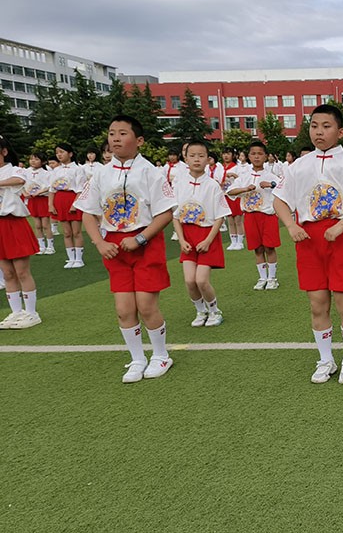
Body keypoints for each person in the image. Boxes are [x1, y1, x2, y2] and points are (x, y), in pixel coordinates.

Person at [272, 104, 343, 385]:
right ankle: (325, 359)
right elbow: (280, 199)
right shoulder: (299, 165)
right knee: (317, 303)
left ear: (340, 131)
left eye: (326, 126)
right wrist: (291, 224)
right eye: (314, 126)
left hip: (341, 237)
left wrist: (342, 224)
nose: (319, 132)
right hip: (309, 240)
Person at [75, 115, 177, 383]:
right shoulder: (100, 173)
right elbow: (87, 212)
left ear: (139, 140)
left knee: (145, 305)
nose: (116, 138)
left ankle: (160, 354)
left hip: (145, 244)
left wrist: (141, 239)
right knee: (123, 309)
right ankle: (137, 358)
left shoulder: (150, 172)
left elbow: (165, 213)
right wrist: (99, 242)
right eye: (111, 133)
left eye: (123, 133)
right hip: (115, 247)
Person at [172, 140, 229, 327]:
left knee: (201, 280)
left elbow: (220, 216)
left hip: (207, 236)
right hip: (187, 236)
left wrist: (208, 240)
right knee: (189, 281)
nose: (197, 159)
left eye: (201, 155)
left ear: (208, 160)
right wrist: (181, 239)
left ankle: (214, 311)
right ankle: (200, 311)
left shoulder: (212, 185)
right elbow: (175, 215)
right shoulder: (179, 184)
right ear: (185, 158)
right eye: (192, 155)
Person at [0, 135, 42, 329]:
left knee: (22, 271)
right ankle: (16, 312)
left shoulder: (14, 169)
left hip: (14, 223)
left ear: (4, 151)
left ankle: (31, 313)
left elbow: (19, 179)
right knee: (7, 273)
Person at [227, 141, 281, 290]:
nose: (257, 157)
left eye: (260, 153)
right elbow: (230, 191)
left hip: (267, 215)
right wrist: (245, 189)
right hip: (250, 216)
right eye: (253, 153)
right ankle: (262, 278)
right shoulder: (243, 176)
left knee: (269, 247)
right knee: (257, 248)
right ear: (248, 156)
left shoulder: (271, 176)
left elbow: (284, 188)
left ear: (265, 156)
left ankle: (272, 278)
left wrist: (271, 185)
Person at [48, 143, 86, 268]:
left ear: (70, 154)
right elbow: (52, 189)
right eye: (57, 152)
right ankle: (70, 259)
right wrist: (51, 205)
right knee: (66, 232)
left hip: (73, 198)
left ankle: (79, 259)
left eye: (62, 152)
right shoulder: (56, 170)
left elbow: (81, 188)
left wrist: (75, 204)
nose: (59, 154)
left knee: (76, 232)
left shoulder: (78, 169)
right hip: (60, 199)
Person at [24, 152, 54, 255]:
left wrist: (39, 192)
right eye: (31, 159)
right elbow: (21, 184)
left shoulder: (46, 173)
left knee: (45, 224)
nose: (33, 161)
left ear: (42, 161)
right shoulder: (26, 171)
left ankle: (50, 246)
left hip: (42, 199)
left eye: (36, 159)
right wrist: (25, 193)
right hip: (32, 200)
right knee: (37, 225)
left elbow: (50, 186)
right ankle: (41, 246)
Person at [220, 148, 245, 250]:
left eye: (228, 154)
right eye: (224, 153)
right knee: (230, 221)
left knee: (238, 220)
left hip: (235, 196)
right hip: (225, 195)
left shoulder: (237, 167)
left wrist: (234, 175)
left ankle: (240, 242)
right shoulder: (220, 168)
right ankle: (233, 241)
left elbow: (242, 179)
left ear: (233, 155)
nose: (226, 156)